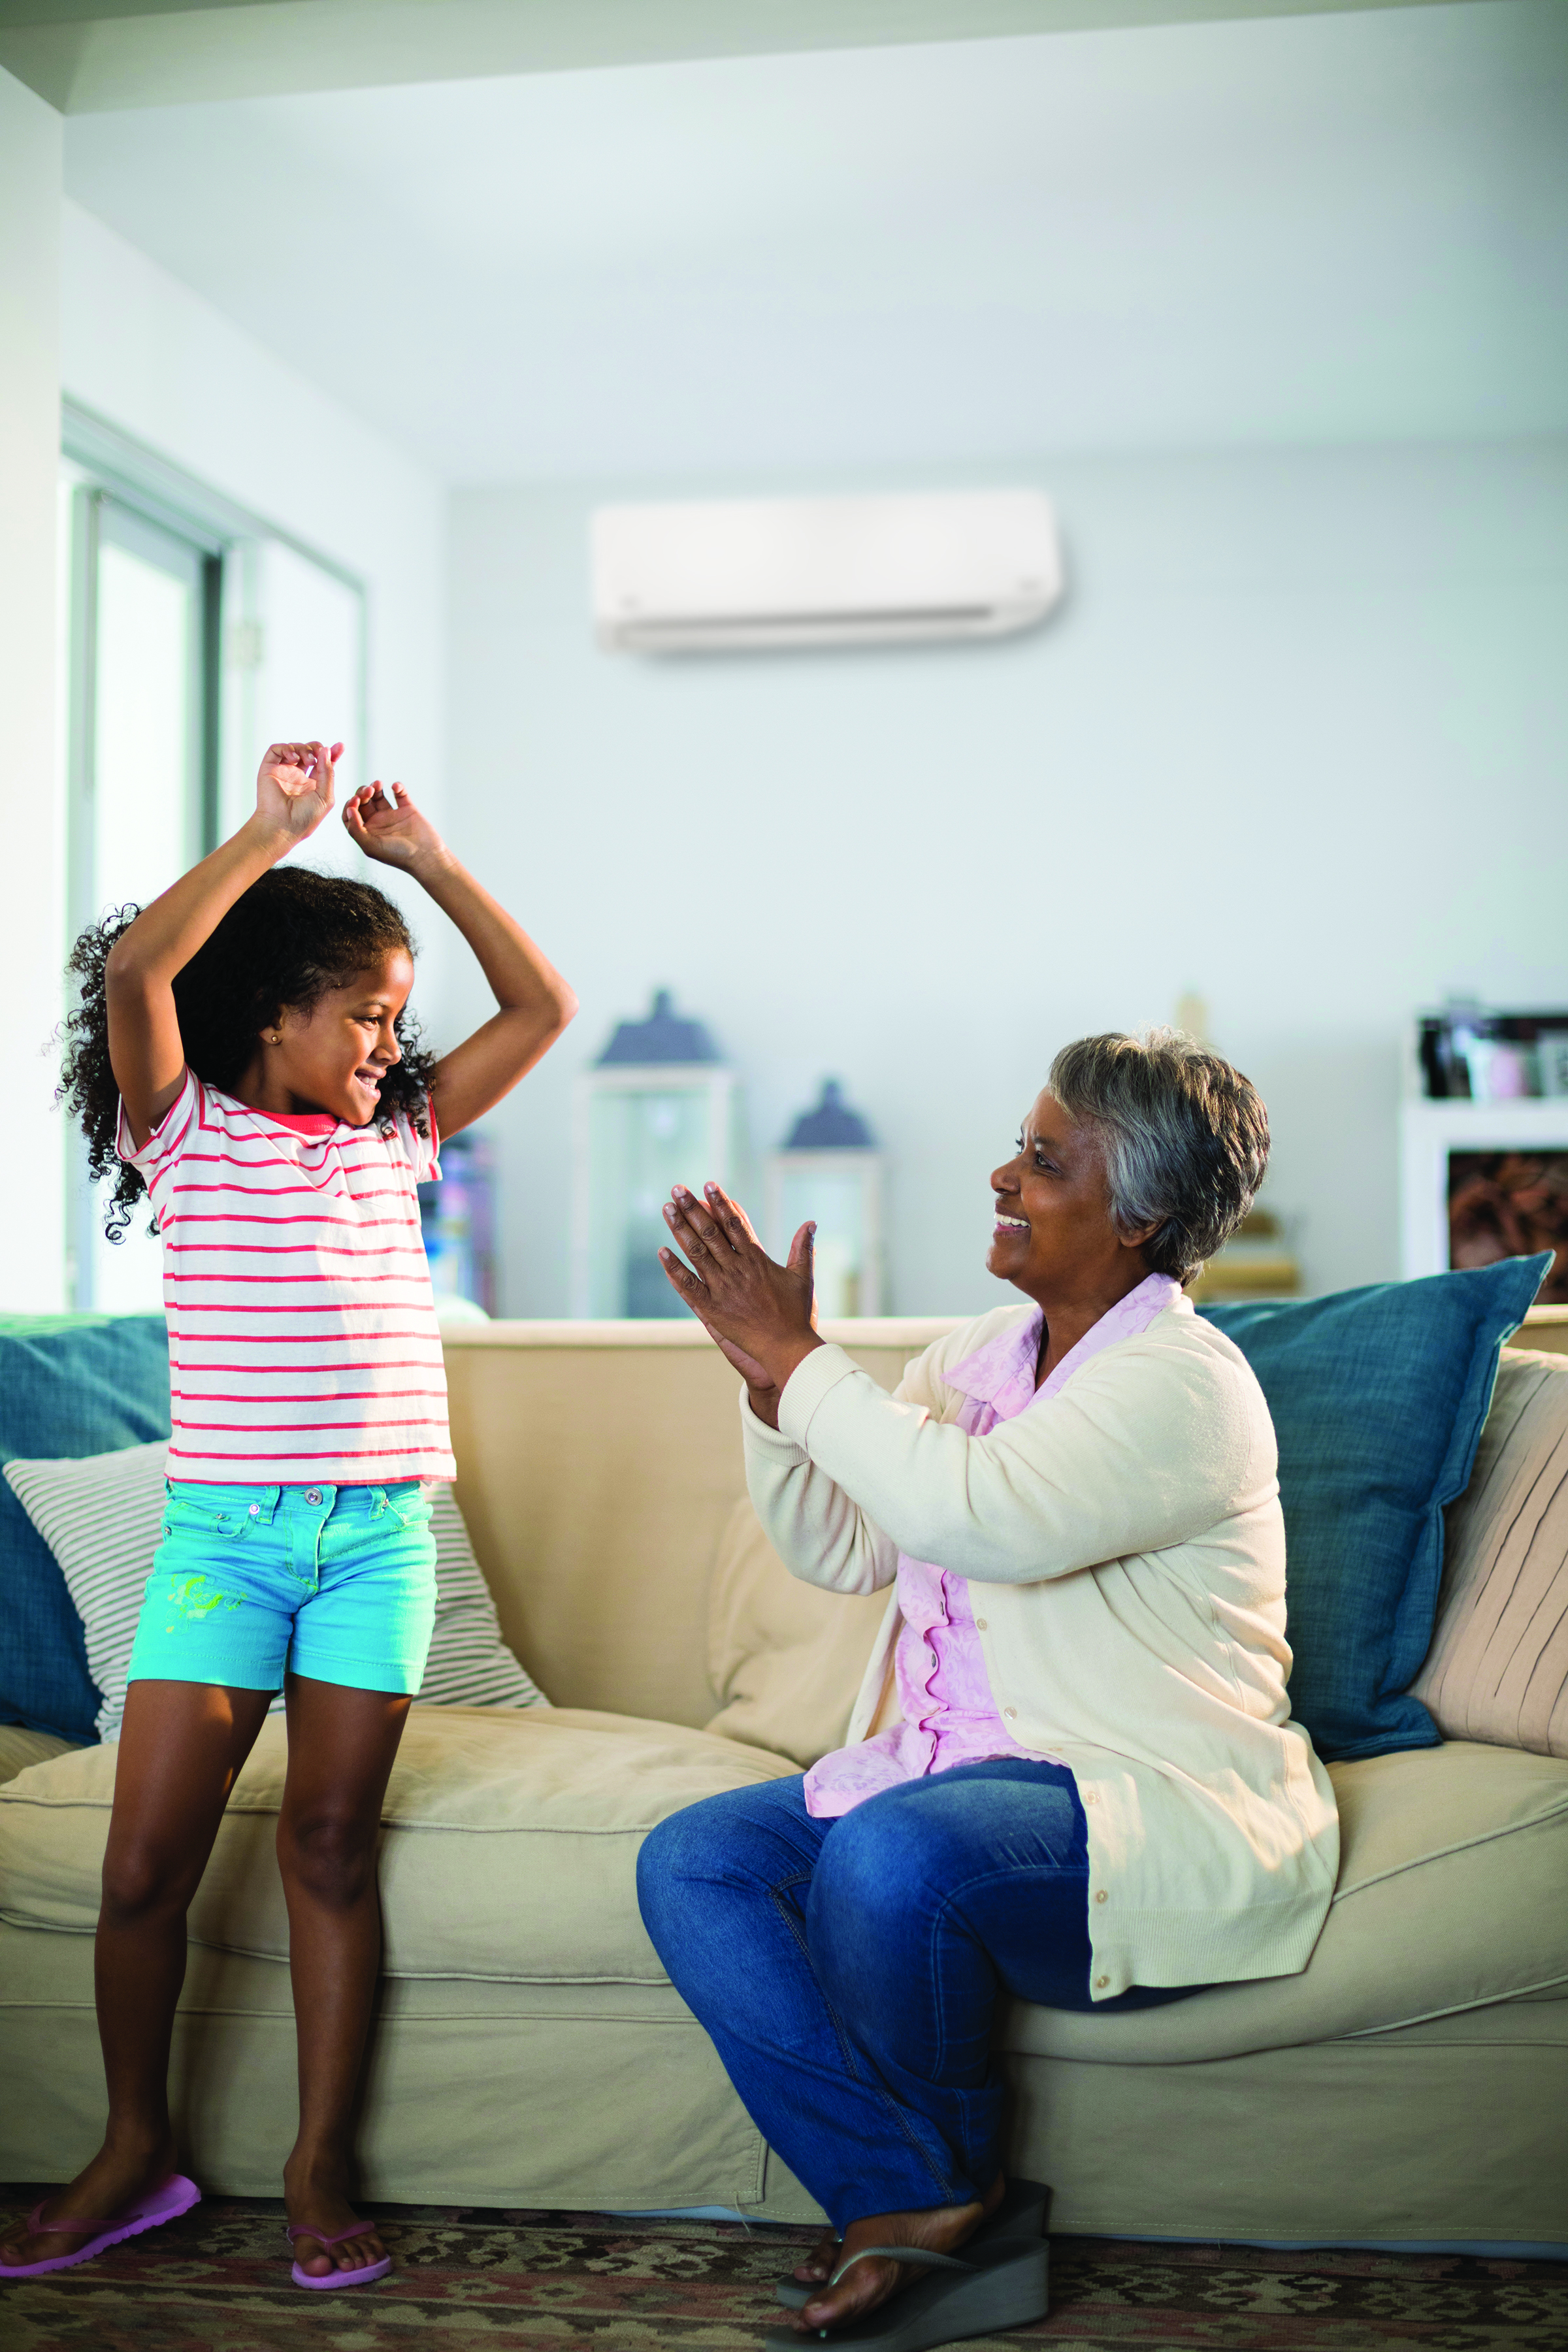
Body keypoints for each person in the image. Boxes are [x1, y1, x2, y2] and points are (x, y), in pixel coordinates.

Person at [636, 1031, 1339, 2351]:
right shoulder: (971, 1360)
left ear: (1139, 1219)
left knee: (895, 1854)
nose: (1005, 1176)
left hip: (1137, 1800)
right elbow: (846, 1545)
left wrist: (808, 1364)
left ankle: (926, 2213)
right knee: (697, 1862)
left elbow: (978, 1516)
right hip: (946, 1785)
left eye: (1046, 1160)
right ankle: (917, 2194)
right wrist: (770, 1386)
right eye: (1021, 1148)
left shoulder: (1185, 1386)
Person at [1, 742, 576, 2289]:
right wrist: (272, 831)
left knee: (329, 1845)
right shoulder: (185, 1132)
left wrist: (429, 867)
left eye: (398, 1018)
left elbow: (543, 1008)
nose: (394, 1044)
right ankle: (134, 2145)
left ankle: (319, 2160)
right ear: (273, 1014)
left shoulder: (399, 1139)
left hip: (377, 1545)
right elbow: (141, 972)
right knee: (142, 1868)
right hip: (223, 1548)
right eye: (368, 1015)